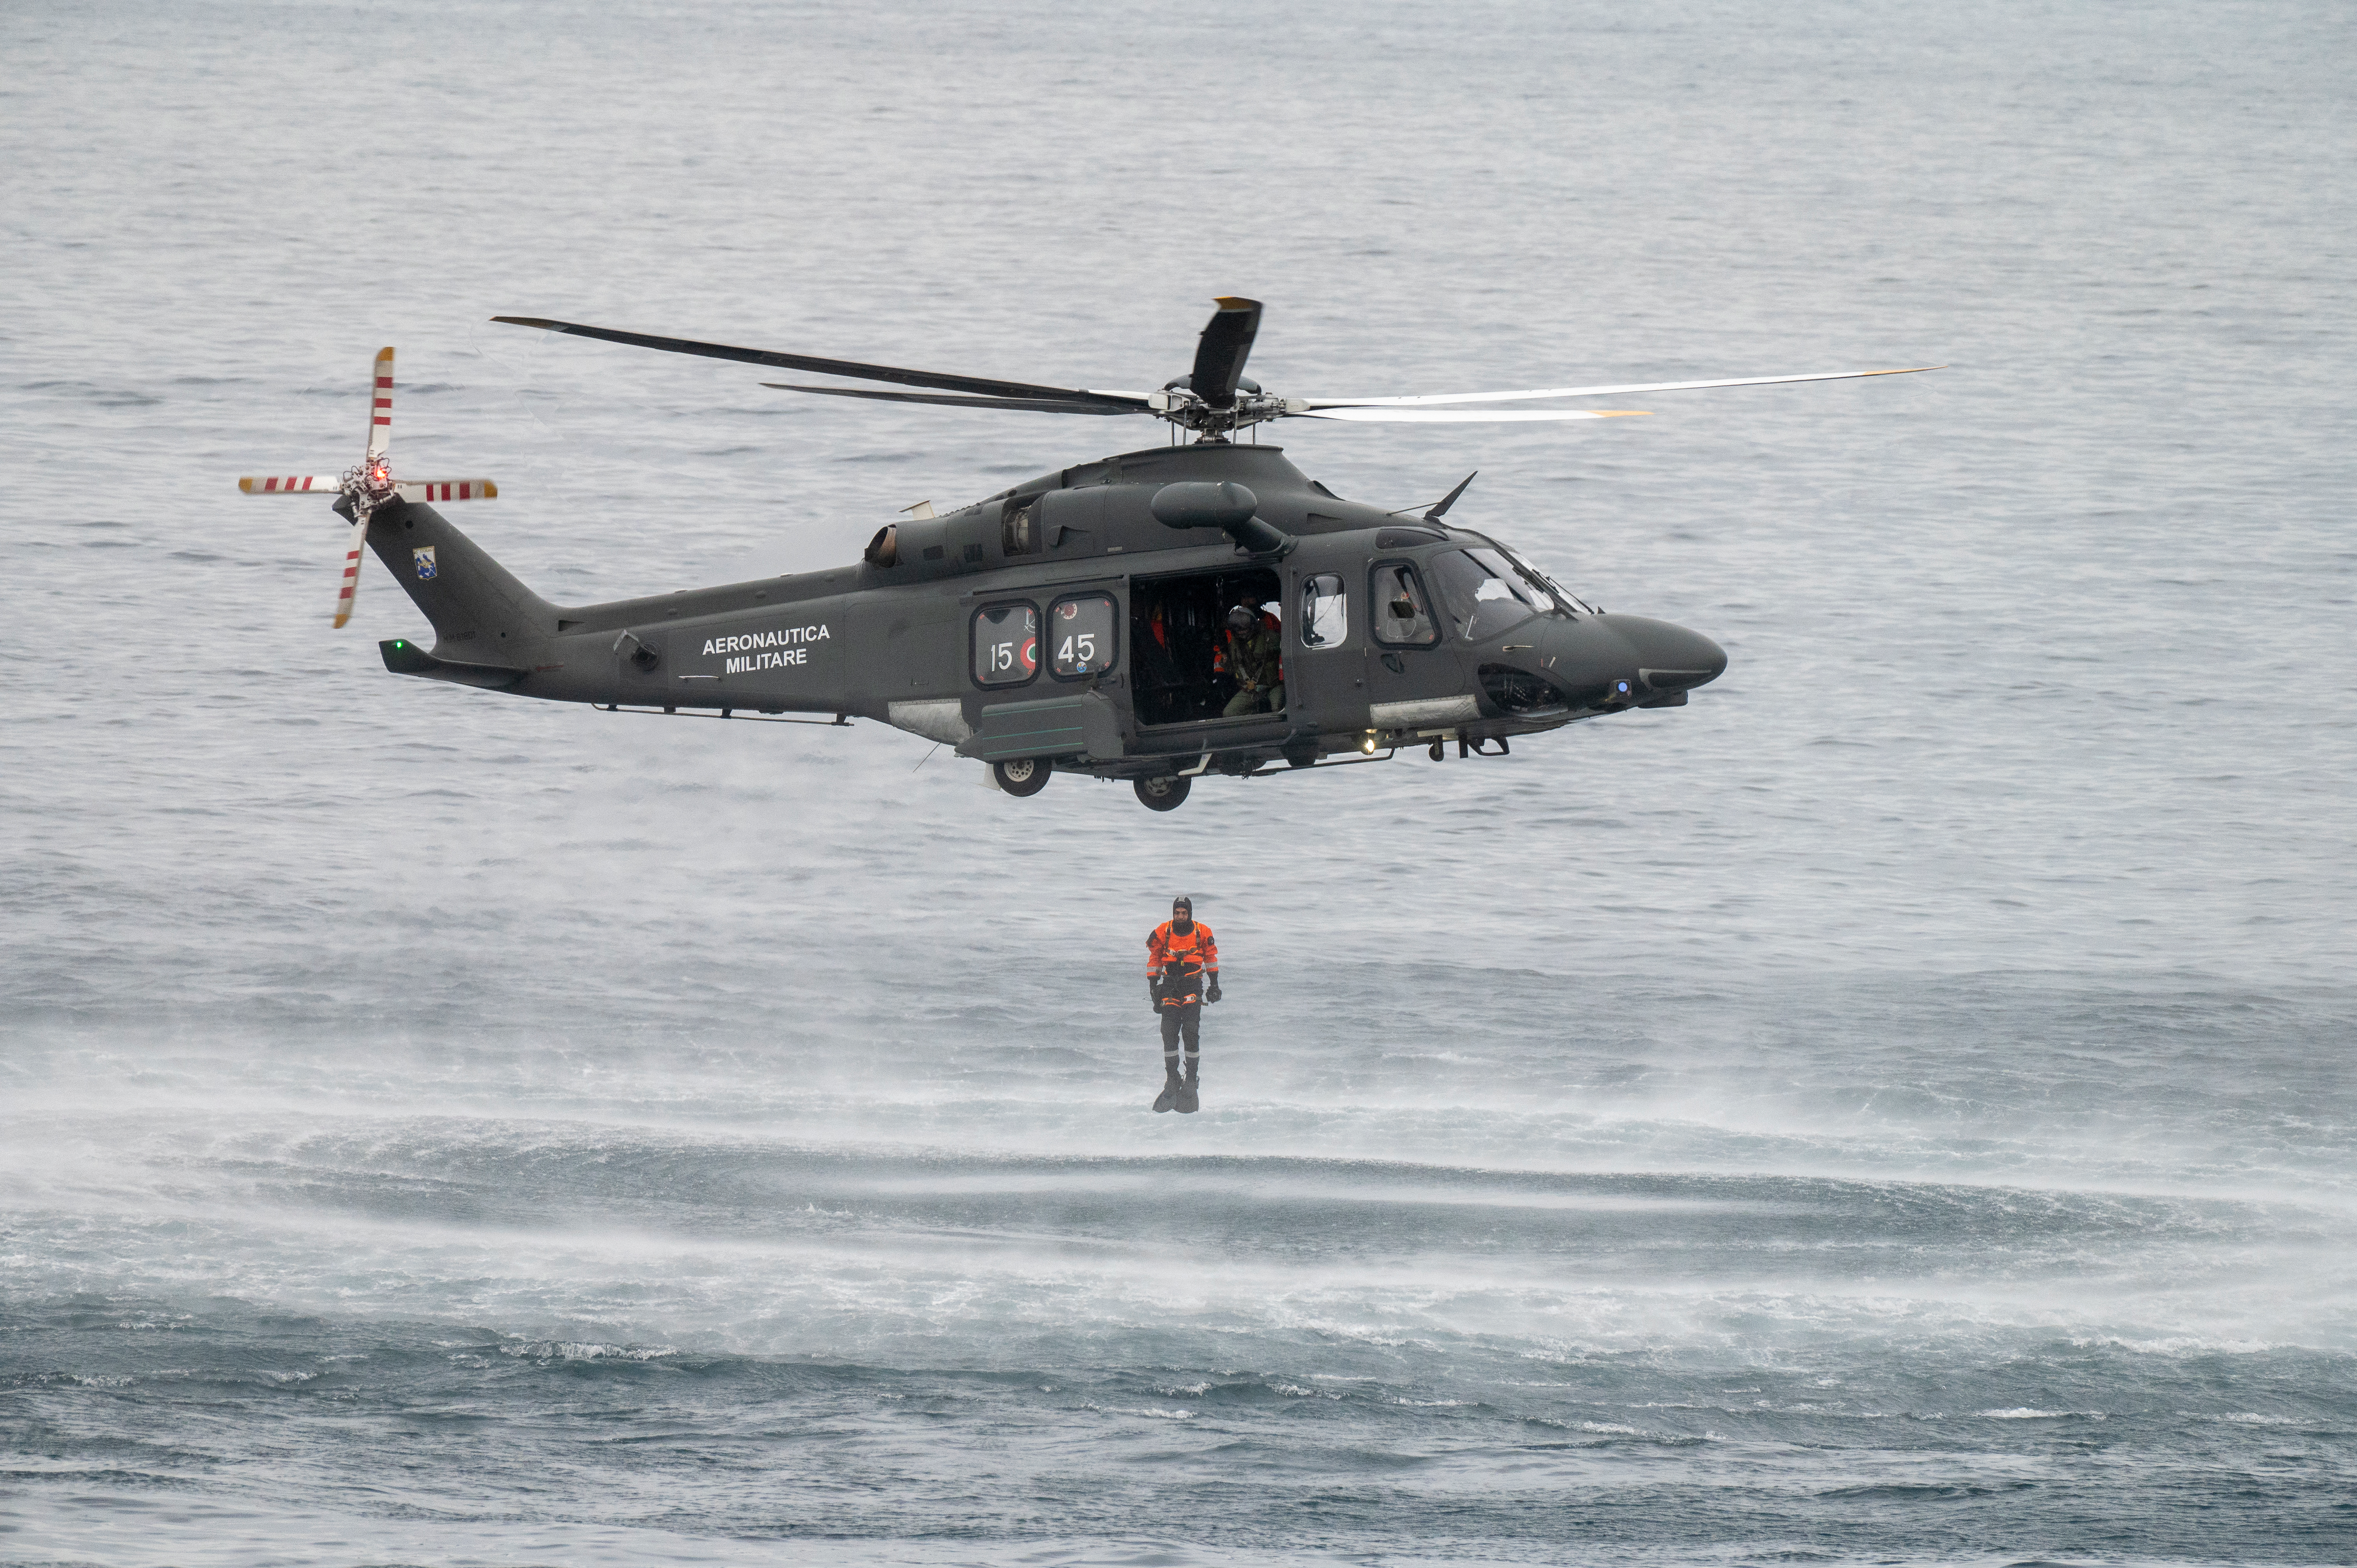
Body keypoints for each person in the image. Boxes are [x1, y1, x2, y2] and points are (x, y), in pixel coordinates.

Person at [1146, 895, 1220, 1112]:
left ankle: (1191, 1079)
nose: (1180, 917)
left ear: (1190, 914)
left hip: (1193, 986)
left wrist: (1214, 986)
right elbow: (1154, 959)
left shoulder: (1202, 932)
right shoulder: (1163, 931)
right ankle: (1172, 1077)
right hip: (1170, 985)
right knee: (1168, 1031)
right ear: (1173, 914)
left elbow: (1211, 958)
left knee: (1190, 1031)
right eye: (1177, 913)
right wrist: (1153, 988)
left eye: (1184, 913)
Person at [1214, 600, 1284, 718]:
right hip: (1250, 690)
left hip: (1273, 686)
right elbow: (1231, 670)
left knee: (1278, 709)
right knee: (1229, 713)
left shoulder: (1272, 638)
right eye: (1238, 630)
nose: (1241, 632)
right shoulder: (1234, 646)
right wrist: (1225, 656)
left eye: (1244, 628)